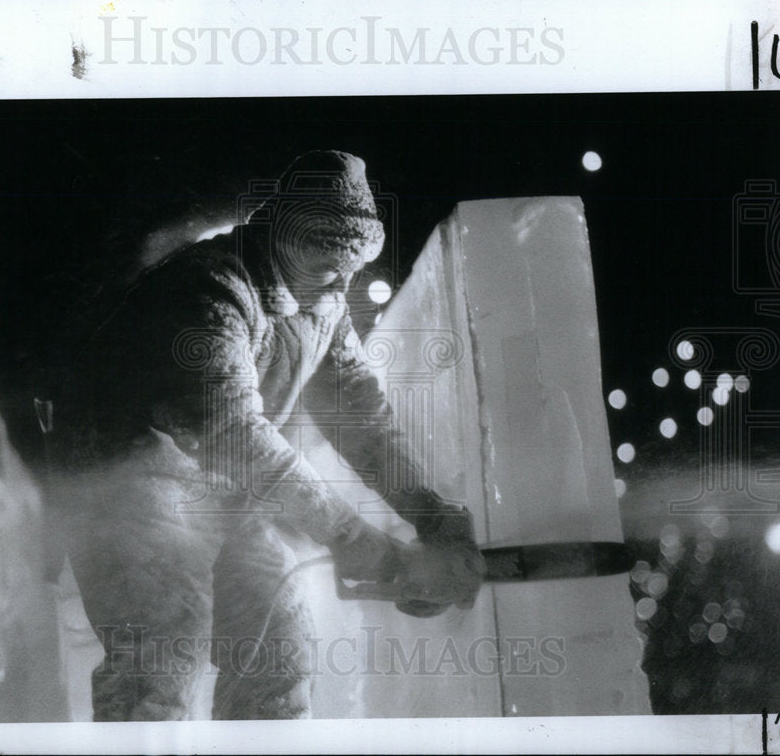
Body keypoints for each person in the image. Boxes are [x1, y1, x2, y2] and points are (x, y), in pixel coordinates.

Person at [52, 150, 484, 721]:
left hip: (220, 493)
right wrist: (357, 540)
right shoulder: (211, 287)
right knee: (160, 652)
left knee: (278, 649)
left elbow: (360, 417)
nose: (344, 281)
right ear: (282, 237)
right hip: (126, 480)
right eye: (328, 262)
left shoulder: (323, 302)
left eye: (353, 264)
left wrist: (429, 513)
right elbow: (234, 432)